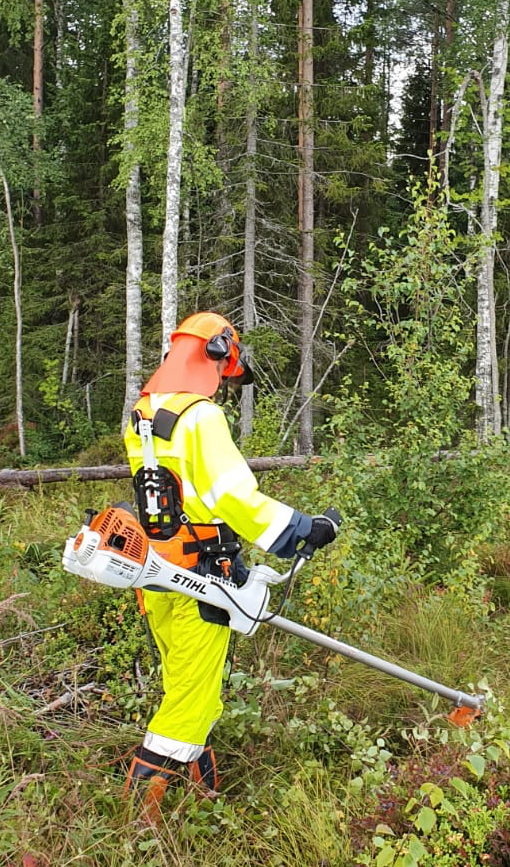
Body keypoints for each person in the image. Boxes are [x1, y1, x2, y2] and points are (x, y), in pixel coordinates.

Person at [121, 311, 338, 820]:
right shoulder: (202, 417)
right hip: (202, 579)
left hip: (156, 574)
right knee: (188, 703)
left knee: (187, 688)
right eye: (222, 370)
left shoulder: (142, 414)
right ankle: (136, 829)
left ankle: (204, 803)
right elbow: (233, 498)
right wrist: (303, 530)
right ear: (213, 355)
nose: (222, 382)